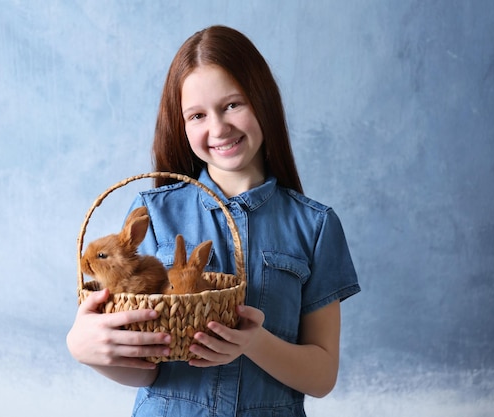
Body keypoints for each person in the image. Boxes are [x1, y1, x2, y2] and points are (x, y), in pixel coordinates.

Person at [66, 25, 360, 416]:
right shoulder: (153, 212)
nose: (218, 128)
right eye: (198, 115)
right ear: (182, 123)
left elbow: (322, 376)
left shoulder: (315, 226)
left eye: (233, 105)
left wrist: (252, 342)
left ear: (263, 100)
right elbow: (147, 371)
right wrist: (88, 349)